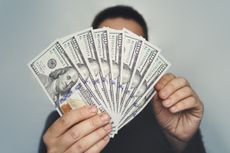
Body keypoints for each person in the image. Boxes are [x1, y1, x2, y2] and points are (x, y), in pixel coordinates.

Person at [39, 5, 206, 153]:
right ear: (90, 55)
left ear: (144, 57)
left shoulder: (175, 117)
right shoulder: (60, 122)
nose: (116, 61)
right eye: (107, 49)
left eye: (129, 49)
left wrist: (180, 143)